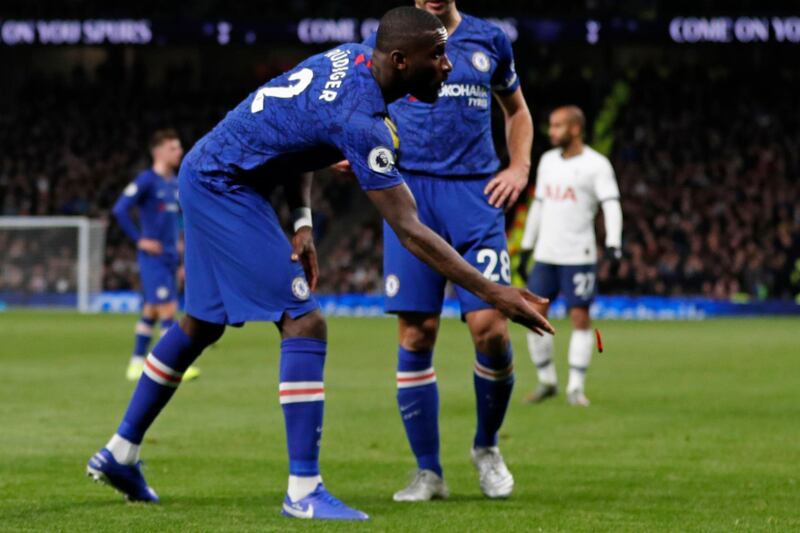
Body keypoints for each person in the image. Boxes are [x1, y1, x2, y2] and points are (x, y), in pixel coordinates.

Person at [87, 7, 553, 522]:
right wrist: (498, 292)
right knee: (304, 319)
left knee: (200, 325)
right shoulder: (362, 120)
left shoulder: (349, 60)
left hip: (211, 171)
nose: (448, 65)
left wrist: (303, 221)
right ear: (400, 61)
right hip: (226, 186)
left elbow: (298, 134)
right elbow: (411, 231)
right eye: (437, 55)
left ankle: (120, 452)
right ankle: (303, 491)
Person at [353, 0, 533, 502]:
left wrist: (518, 167)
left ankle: (487, 447)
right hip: (408, 197)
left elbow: (516, 111)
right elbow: (363, 101)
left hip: (475, 197)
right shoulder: (388, 38)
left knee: (491, 329)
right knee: (416, 333)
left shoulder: (490, 40)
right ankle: (428, 472)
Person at [517, 106, 623, 407]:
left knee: (580, 317)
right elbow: (538, 205)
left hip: (579, 253)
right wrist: (527, 246)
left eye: (558, 126)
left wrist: (614, 242)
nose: (551, 132)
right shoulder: (548, 161)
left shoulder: (597, 165)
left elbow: (611, 204)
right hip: (546, 253)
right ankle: (547, 380)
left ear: (575, 129)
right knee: (532, 316)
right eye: (551, 126)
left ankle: (575, 387)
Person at [112, 129, 200, 382]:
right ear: (159, 152)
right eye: (174, 148)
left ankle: (136, 363)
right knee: (168, 308)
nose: (179, 152)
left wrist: (181, 256)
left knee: (151, 309)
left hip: (170, 256)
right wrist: (140, 240)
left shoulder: (174, 182)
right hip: (154, 258)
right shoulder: (146, 180)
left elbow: (177, 223)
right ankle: (170, 366)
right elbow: (120, 210)